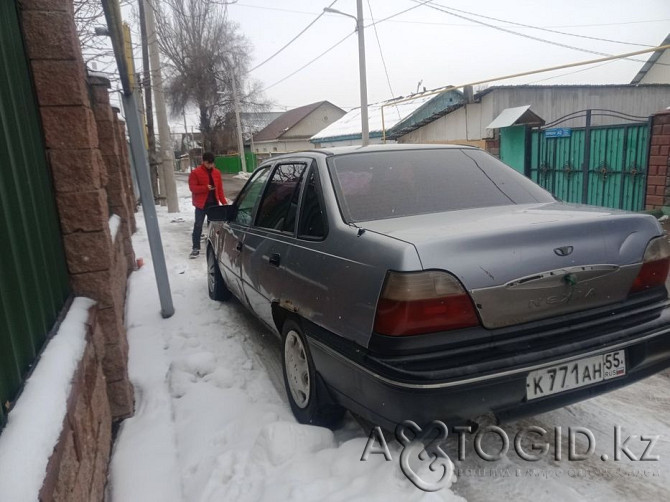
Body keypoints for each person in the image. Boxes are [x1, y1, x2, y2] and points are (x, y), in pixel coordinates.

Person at [188, 152, 225, 258]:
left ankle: (213, 247)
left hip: (213, 203)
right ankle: (195, 247)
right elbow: (192, 188)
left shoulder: (217, 173)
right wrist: (205, 188)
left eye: (212, 163)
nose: (210, 165)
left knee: (213, 226)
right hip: (201, 204)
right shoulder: (195, 173)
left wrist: (224, 202)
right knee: (198, 225)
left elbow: (220, 189)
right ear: (203, 162)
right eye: (208, 163)